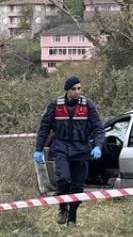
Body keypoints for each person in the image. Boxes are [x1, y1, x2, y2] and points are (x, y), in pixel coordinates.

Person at [34, 75, 104, 224]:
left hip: (82, 149)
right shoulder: (55, 105)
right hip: (61, 147)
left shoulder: (87, 105)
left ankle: (72, 215)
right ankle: (62, 208)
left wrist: (98, 146)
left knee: (78, 187)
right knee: (63, 179)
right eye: (74, 89)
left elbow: (98, 128)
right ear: (67, 90)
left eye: (79, 88)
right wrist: (38, 149)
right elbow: (44, 128)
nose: (77, 91)